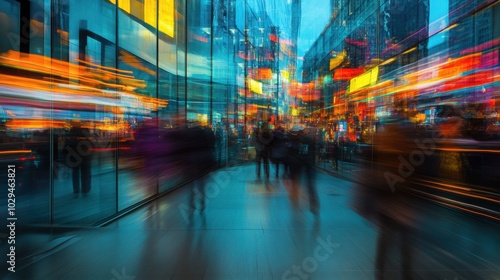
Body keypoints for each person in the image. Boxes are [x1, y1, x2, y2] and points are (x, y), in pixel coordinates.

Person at [351, 118, 420, 280]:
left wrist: (364, 199)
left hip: (385, 200)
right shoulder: (408, 148)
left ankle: (380, 271)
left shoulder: (378, 149)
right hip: (403, 201)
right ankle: (406, 272)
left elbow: (366, 175)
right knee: (405, 240)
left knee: (385, 236)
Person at [287, 125, 319, 214]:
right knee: (309, 184)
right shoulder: (309, 140)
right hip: (307, 164)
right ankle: (313, 202)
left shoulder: (293, 140)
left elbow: (290, 154)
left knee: (298, 182)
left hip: (299, 164)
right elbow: (313, 152)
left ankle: (296, 199)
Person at [65, 121, 93, 194]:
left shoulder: (72, 133)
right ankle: (85, 189)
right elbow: (91, 145)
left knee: (75, 174)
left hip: (74, 157)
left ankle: (76, 190)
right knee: (86, 173)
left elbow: (66, 146)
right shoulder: (85, 132)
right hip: (85, 157)